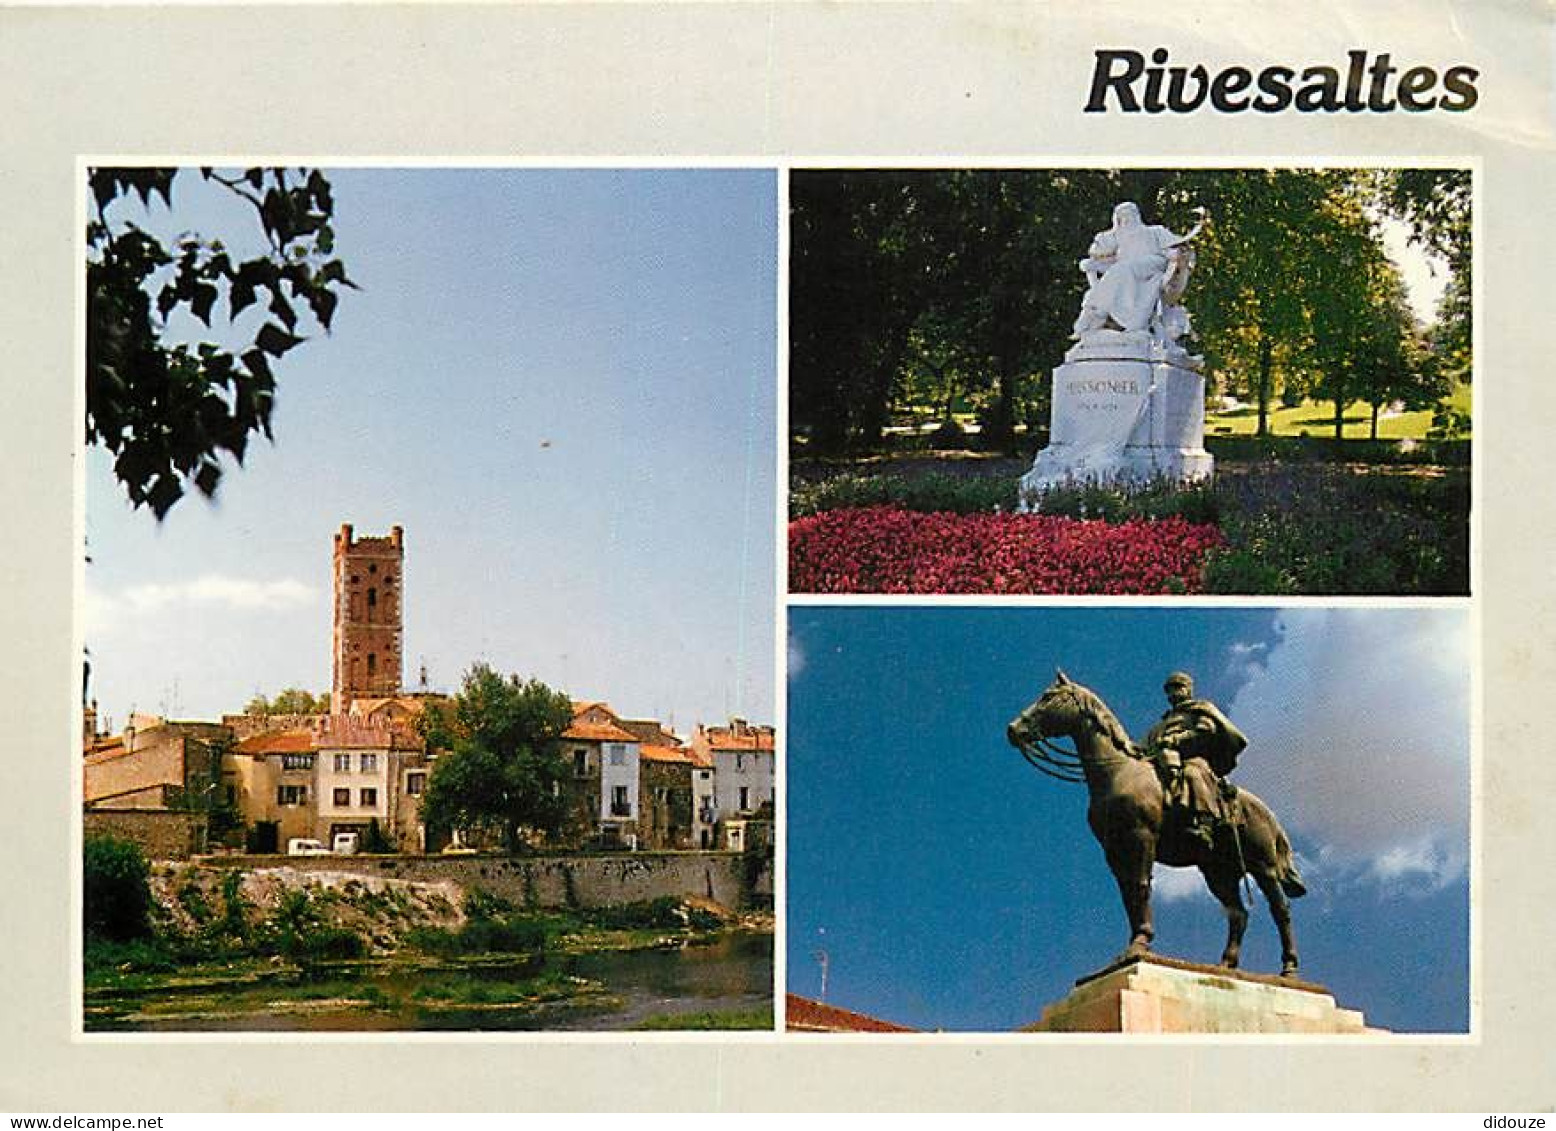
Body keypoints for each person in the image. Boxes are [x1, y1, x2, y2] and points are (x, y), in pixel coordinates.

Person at [1142, 671, 1246, 849]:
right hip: (1162, 761)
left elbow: (1206, 730)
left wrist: (1176, 739)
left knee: (1192, 773)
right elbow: (1144, 746)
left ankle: (1205, 822)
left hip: (1194, 758)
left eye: (1178, 688)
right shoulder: (1161, 724)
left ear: (1188, 689)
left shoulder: (1199, 710)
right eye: (1169, 690)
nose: (1173, 693)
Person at [1071, 202, 1199, 339]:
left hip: (1152, 263)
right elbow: (1098, 253)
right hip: (1127, 273)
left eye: (1129, 214)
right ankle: (1094, 312)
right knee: (1118, 273)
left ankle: (1098, 312)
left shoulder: (1155, 231)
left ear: (1136, 215)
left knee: (1123, 268)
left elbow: (1179, 246)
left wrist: (1176, 253)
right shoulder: (1118, 238)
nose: (1126, 219)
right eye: (1122, 216)